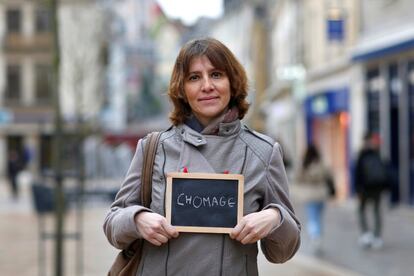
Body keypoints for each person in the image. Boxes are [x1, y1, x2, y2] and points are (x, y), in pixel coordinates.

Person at [103, 37, 301, 275]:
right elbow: (112, 223)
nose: (207, 86)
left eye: (216, 74)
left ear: (233, 82)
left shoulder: (264, 153)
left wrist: (274, 217)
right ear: (182, 89)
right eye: (194, 77)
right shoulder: (153, 148)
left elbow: (283, 253)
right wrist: (137, 219)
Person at [354, 132, 389, 250]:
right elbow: (384, 170)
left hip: (365, 189)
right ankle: (377, 236)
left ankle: (366, 234)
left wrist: (357, 189)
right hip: (377, 188)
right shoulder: (376, 152)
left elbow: (357, 174)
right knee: (376, 211)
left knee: (361, 210)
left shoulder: (361, 154)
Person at [296, 143, 332, 254]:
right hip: (321, 194)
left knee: (312, 217)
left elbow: (298, 178)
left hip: (310, 195)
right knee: (319, 218)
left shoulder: (303, 164)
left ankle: (314, 236)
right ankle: (318, 237)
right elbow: (329, 176)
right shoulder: (321, 163)